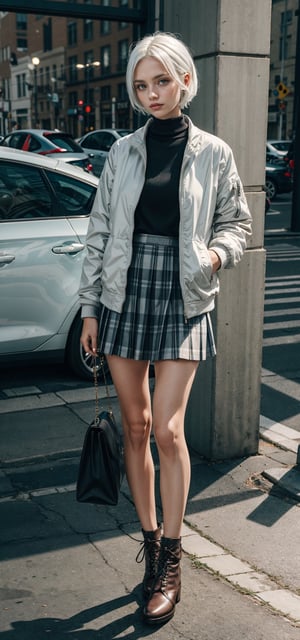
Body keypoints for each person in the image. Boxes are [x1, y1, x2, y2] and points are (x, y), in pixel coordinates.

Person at [79, 31, 252, 625]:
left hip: (183, 294)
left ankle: (174, 561)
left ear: (184, 79)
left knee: (169, 431)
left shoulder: (214, 152)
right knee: (135, 426)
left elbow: (238, 224)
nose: (151, 93)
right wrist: (89, 308)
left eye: (161, 80)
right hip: (124, 293)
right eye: (140, 84)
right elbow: (99, 232)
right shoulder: (122, 152)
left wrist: (214, 256)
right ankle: (150, 547)